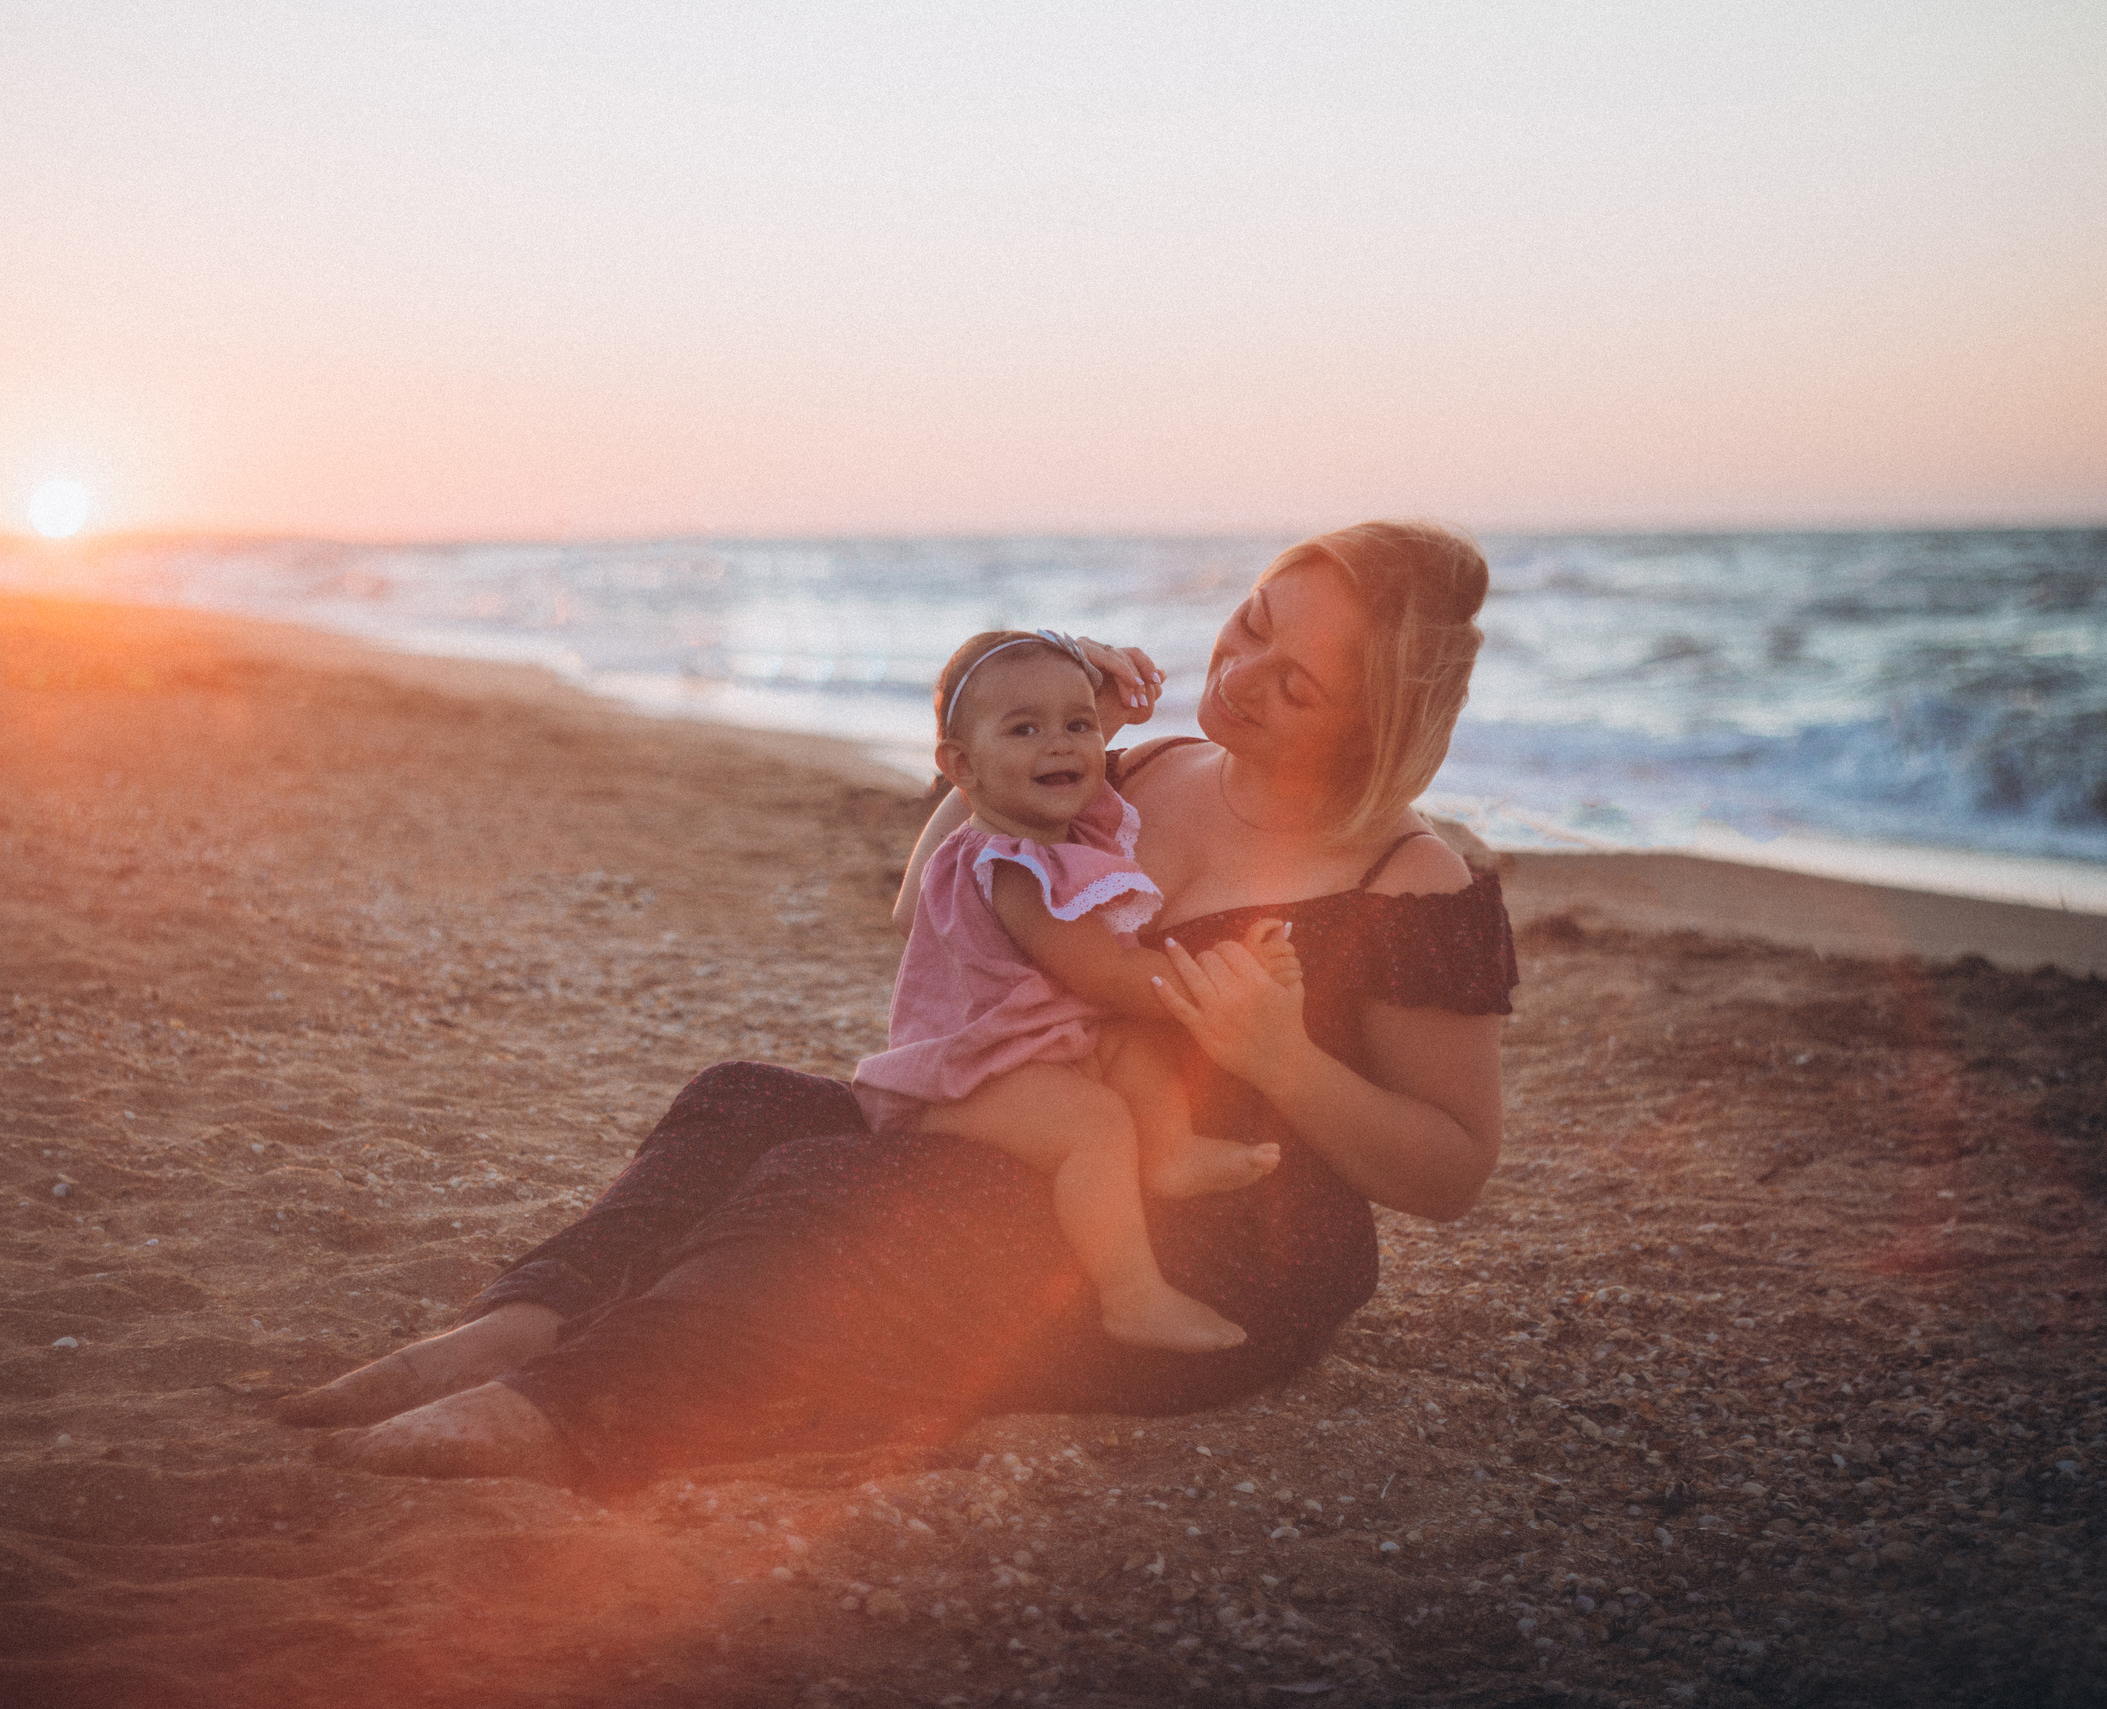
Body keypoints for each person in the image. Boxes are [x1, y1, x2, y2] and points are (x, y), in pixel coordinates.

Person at [280, 520, 1513, 1488]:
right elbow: (933, 894)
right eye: (1247, 624)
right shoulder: (1147, 764)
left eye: (1293, 684)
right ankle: (524, 1322)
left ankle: (572, 1407)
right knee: (745, 1103)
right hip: (1048, 1147)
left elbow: (1450, 1172)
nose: (1236, 675)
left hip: (1222, 1250)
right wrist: (1016, 744)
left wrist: (1281, 1058)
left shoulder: (1408, 881)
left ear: (1377, 719)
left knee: (840, 1188)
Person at [858, 627, 1297, 1353]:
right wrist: (1223, 984)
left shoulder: (1056, 836)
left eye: (1078, 725)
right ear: (961, 766)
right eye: (1025, 729)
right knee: (1093, 1122)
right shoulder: (1012, 868)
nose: (1060, 744)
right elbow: (1105, 976)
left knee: (1126, 1047)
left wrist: (1106, 717)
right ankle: (1133, 1295)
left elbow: (1104, 996)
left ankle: (1171, 1149)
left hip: (1030, 1046)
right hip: (964, 1079)